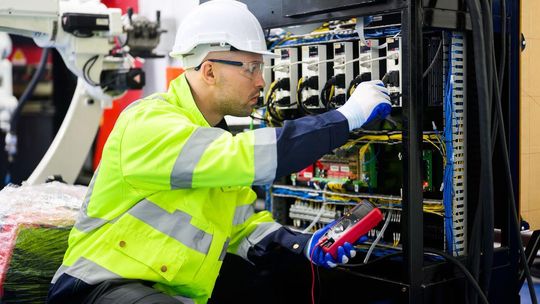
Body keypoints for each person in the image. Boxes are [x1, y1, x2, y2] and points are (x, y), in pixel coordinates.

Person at [46, 0, 391, 303]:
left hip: (164, 294)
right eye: (252, 68)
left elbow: (243, 227)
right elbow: (245, 156)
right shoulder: (149, 122)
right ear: (209, 70)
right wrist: (346, 117)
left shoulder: (212, 138)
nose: (261, 82)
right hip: (96, 288)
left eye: (262, 68)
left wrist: (303, 245)